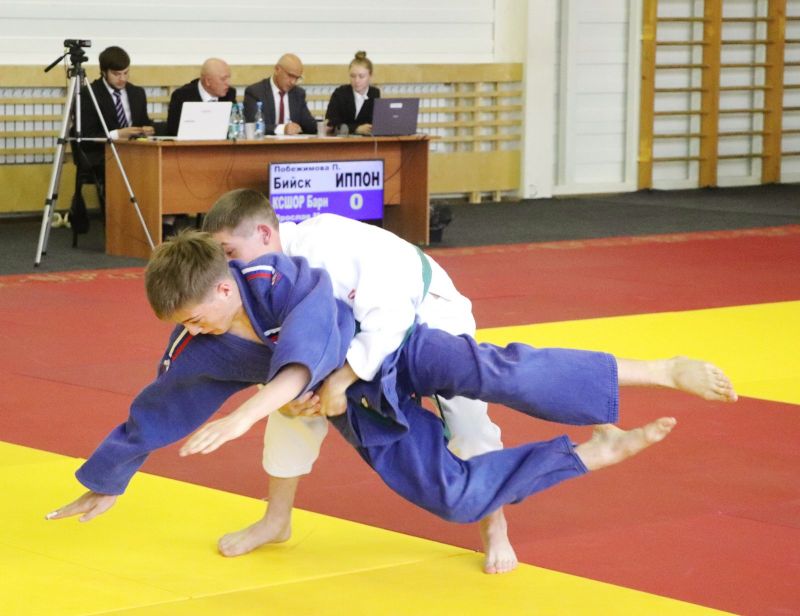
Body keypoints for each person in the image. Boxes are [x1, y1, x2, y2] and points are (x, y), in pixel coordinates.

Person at [46, 232, 736, 559]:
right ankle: (592, 454)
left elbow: (311, 341)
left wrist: (255, 409)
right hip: (361, 410)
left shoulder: (275, 276)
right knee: (450, 497)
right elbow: (156, 407)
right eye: (185, 327)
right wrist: (109, 478)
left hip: (396, 348)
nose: (194, 332)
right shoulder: (200, 344)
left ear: (225, 285)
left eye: (198, 317)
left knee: (497, 372)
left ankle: (660, 370)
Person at [203, 188, 514, 573]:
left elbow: (392, 315)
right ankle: (276, 520)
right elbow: (281, 352)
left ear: (265, 234)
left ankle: (495, 526)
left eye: (230, 252)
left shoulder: (328, 243)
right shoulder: (263, 282)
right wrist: (287, 399)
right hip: (356, 336)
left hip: (429, 318)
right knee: (295, 408)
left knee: (468, 424)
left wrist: (341, 381)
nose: (229, 267)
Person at [70, 46, 154, 236]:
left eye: (125, 73)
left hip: (135, 151)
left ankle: (159, 221)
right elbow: (86, 135)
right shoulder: (88, 94)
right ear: (104, 72)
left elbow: (144, 121)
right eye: (116, 74)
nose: (122, 78)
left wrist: (147, 129)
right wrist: (116, 134)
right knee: (120, 167)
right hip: (101, 153)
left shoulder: (137, 93)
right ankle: (121, 228)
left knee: (157, 166)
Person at [242, 54, 317, 135]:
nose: (293, 82)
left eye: (297, 78)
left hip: (293, 143)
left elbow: (308, 124)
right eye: (290, 76)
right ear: (277, 69)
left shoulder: (298, 94)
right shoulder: (255, 92)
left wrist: (323, 127)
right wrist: (283, 129)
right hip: (266, 142)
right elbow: (252, 126)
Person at [166, 58, 237, 136]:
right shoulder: (181, 96)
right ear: (208, 81)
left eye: (228, 78)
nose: (228, 83)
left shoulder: (229, 94)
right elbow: (173, 131)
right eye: (223, 79)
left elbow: (234, 127)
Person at [325, 50, 380, 136]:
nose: (357, 80)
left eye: (361, 76)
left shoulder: (375, 93)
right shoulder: (340, 93)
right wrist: (356, 129)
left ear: (370, 76)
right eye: (353, 76)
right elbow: (331, 123)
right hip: (342, 141)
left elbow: (376, 122)